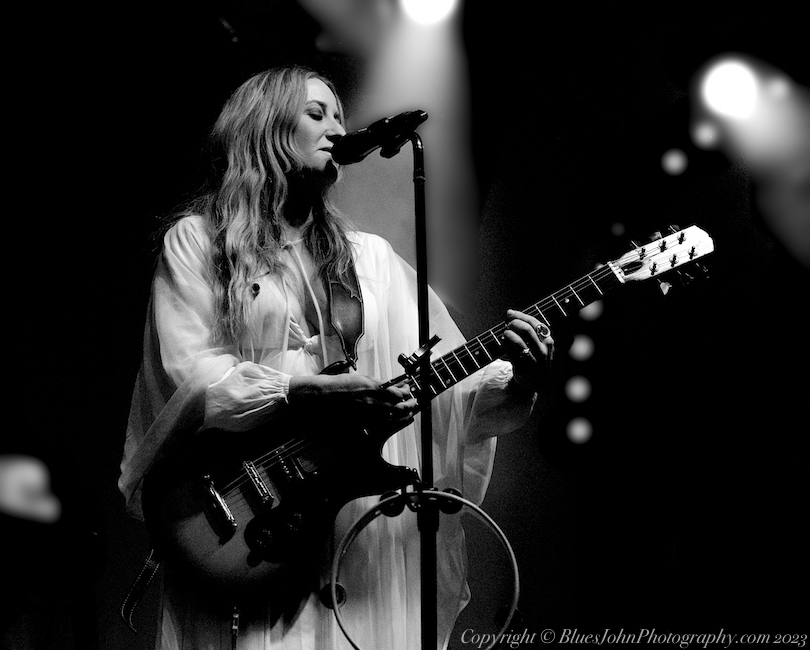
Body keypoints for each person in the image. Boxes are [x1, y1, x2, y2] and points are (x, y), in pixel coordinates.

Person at [118, 65, 553, 650]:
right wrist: (303, 389)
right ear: (266, 130)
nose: (335, 129)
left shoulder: (369, 261)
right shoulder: (199, 242)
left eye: (340, 116)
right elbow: (187, 375)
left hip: (350, 535)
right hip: (247, 515)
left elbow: (451, 393)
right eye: (316, 114)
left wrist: (520, 379)